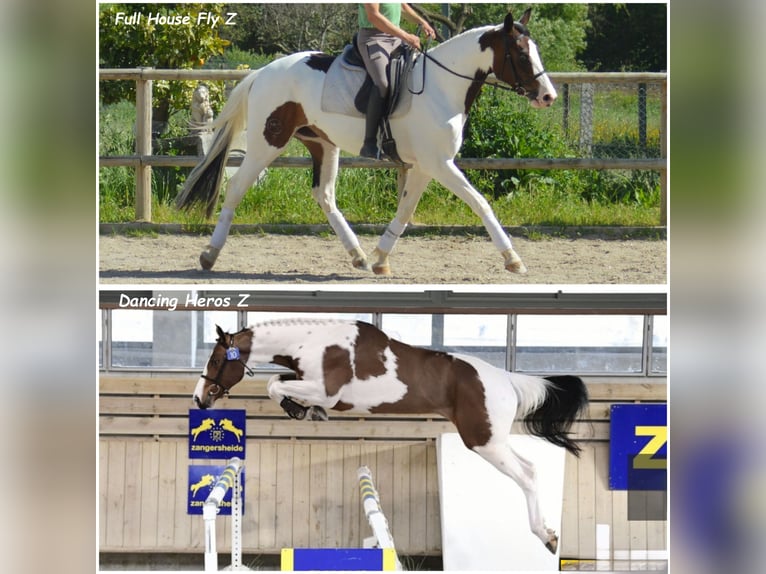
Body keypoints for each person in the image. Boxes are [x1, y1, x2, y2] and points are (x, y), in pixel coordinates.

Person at [356, 3, 436, 158]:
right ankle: (369, 143)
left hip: (395, 39)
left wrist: (422, 22)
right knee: (382, 84)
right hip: (373, 38)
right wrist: (406, 36)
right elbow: (373, 16)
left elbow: (403, 6)